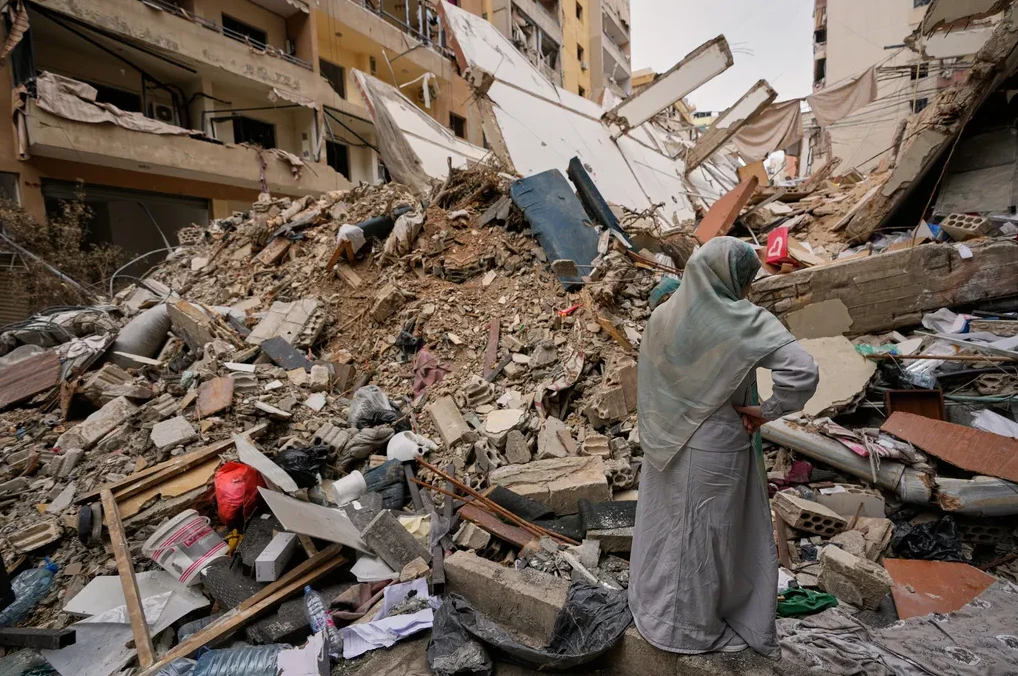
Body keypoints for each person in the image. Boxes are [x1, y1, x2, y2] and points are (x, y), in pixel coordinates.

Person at [629, 236, 819, 658]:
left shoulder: (664, 314)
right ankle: (688, 631)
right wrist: (767, 411)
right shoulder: (742, 319)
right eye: (746, 280)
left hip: (664, 443)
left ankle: (658, 615)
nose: (747, 289)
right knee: (706, 539)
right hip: (715, 447)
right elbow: (802, 371)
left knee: (671, 532)